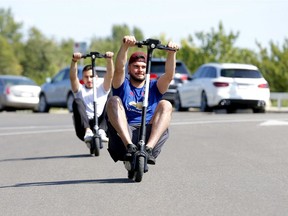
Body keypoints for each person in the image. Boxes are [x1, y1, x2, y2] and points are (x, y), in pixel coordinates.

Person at [106, 35, 179, 165]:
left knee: (166, 104)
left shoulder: (154, 86)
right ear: (129, 68)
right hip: (125, 134)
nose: (140, 70)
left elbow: (169, 76)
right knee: (113, 100)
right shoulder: (123, 85)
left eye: (143, 67)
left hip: (148, 134)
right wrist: (125, 47)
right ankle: (129, 146)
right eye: (136, 66)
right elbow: (119, 69)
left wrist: (171, 54)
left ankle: (149, 148)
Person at [70, 51, 114, 149]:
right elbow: (73, 78)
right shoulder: (80, 89)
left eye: (92, 76)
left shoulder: (102, 87)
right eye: (86, 77)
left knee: (111, 99)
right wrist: (74, 61)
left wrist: (109, 60)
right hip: (84, 125)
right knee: (77, 101)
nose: (89, 80)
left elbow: (110, 75)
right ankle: (88, 131)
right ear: (82, 78)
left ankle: (102, 130)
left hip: (102, 122)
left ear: (97, 77)